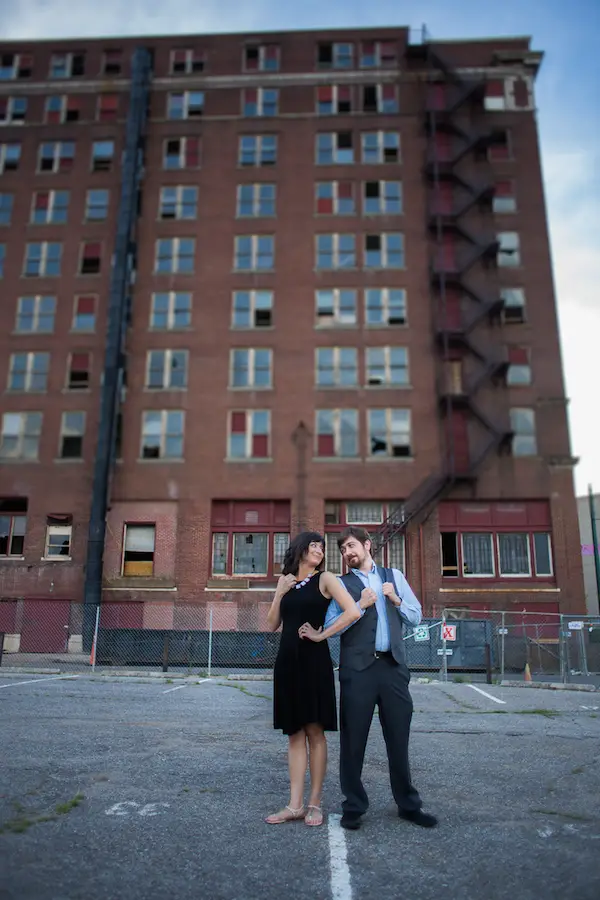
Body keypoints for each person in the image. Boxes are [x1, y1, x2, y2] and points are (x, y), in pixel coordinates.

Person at [306, 526, 437, 831]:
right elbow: (331, 625)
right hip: (358, 671)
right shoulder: (341, 584)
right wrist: (361, 606)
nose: (347, 553)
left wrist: (396, 601)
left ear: (367, 545)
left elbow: (416, 617)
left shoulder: (395, 576)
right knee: (353, 741)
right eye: (342, 550)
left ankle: (408, 805)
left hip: (392, 669)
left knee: (398, 739)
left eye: (351, 546)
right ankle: (353, 806)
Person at [265, 531, 361, 827]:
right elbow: (271, 626)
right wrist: (280, 591)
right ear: (300, 549)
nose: (319, 549)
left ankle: (315, 804)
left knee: (315, 734)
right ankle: (294, 806)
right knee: (294, 734)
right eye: (314, 545)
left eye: (322, 546)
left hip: (314, 663)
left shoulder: (326, 578)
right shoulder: (287, 582)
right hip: (287, 664)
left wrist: (321, 635)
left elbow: (353, 611)